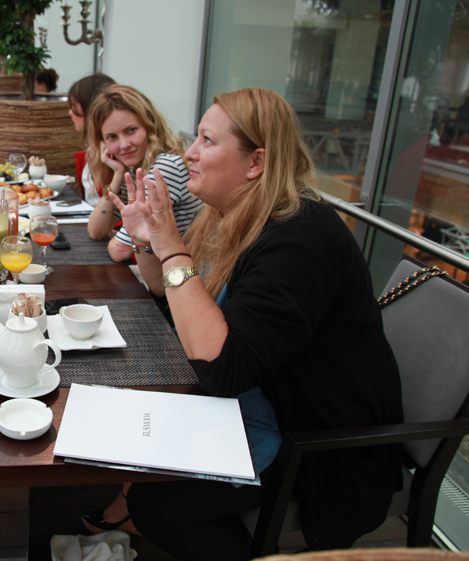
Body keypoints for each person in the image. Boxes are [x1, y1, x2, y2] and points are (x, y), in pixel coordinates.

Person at [95, 88, 403, 560]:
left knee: (156, 504)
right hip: (257, 404)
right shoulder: (236, 217)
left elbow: (222, 369)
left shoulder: (299, 238)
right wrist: (148, 240)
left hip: (315, 445)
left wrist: (171, 245)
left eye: (206, 140)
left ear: (256, 162)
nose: (189, 153)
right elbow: (168, 296)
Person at [84, 85, 202, 278]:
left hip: (189, 279)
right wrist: (118, 174)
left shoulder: (164, 167)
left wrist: (119, 239)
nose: (124, 145)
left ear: (149, 127)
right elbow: (96, 230)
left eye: (131, 130)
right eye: (112, 137)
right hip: (167, 273)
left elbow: (118, 251)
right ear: (102, 143)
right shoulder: (134, 168)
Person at [68, 73, 116, 206]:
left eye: (73, 105)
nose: (70, 112)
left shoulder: (114, 154)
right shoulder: (92, 151)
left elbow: (111, 204)